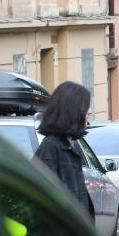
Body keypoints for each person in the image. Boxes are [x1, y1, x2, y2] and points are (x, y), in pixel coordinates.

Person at [33, 81, 93, 217]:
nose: (89, 111)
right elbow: (45, 203)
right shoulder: (52, 148)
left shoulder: (66, 146)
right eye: (85, 107)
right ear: (72, 111)